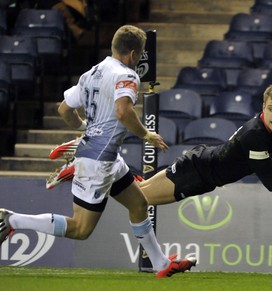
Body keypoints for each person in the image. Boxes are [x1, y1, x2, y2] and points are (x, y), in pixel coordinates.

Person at [0, 25, 196, 278]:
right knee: (80, 229)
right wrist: (146, 134)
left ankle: (160, 264)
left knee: (139, 203)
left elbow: (64, 110)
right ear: (134, 53)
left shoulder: (91, 73)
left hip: (106, 157)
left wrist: (86, 129)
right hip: (98, 162)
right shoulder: (127, 75)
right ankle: (12, 220)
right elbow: (123, 112)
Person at [45, 82, 272, 205]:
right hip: (199, 170)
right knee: (138, 199)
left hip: (205, 171)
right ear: (263, 106)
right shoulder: (256, 135)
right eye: (270, 109)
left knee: (137, 192)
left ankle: (87, 165)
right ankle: (84, 167)